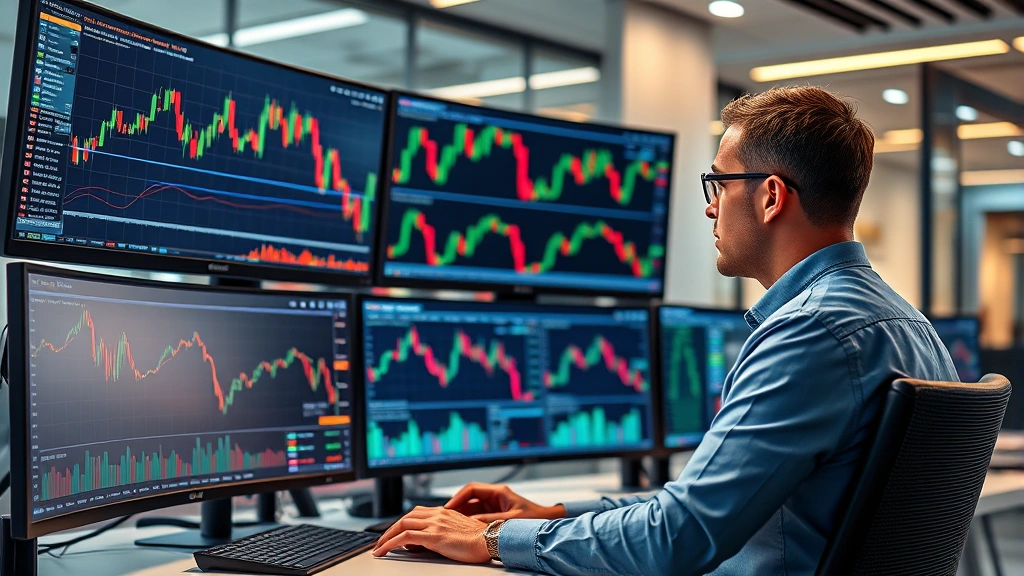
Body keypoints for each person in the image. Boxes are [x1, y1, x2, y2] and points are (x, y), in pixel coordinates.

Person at [371, 86, 960, 575]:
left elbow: (681, 536)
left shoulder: (809, 333)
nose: (710, 207)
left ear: (770, 197)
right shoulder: (910, 328)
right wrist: (548, 514)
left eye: (719, 185)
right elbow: (700, 507)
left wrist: (499, 540)